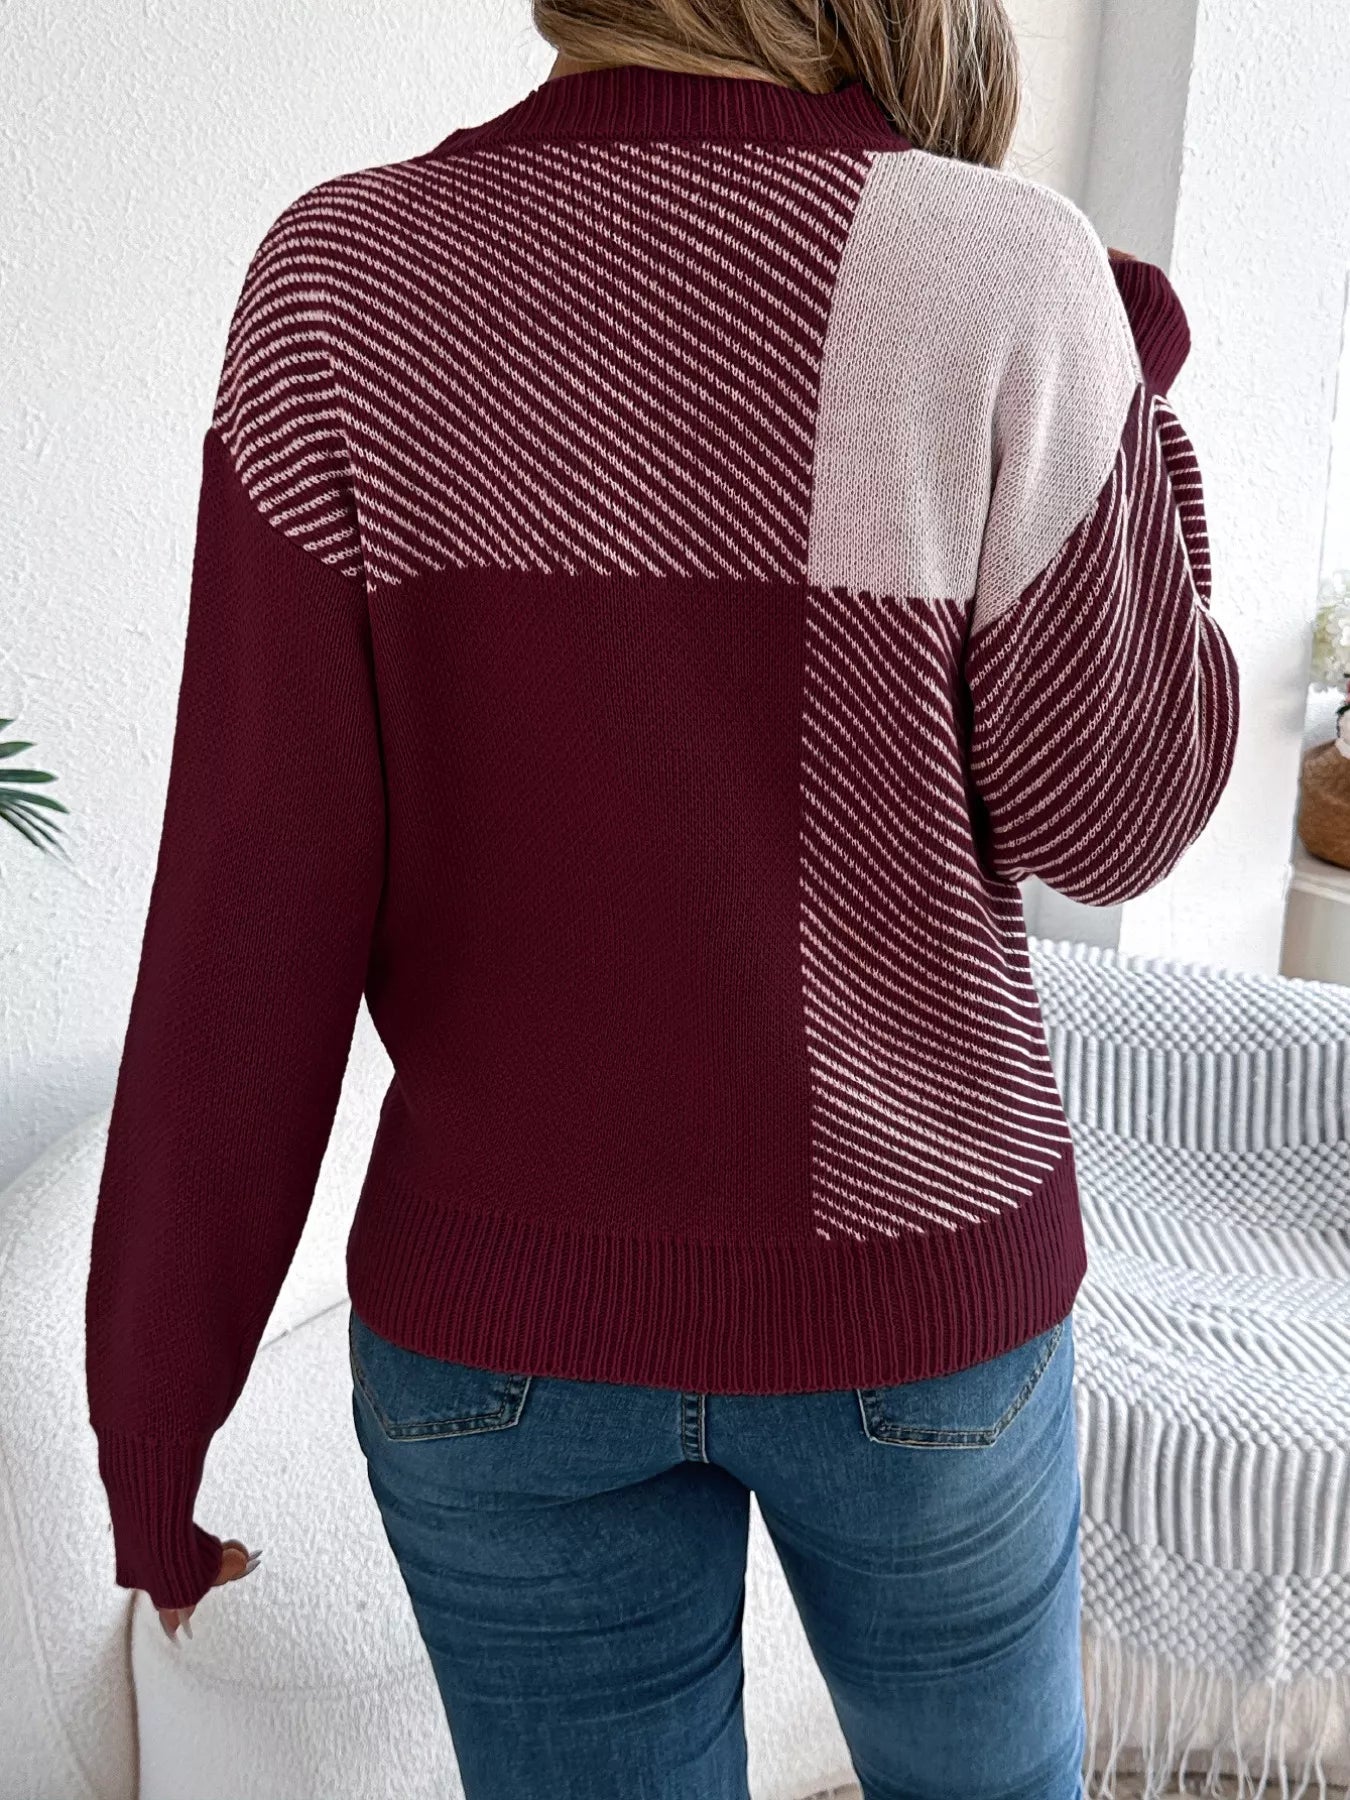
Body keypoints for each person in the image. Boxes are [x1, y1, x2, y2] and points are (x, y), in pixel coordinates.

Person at [84, 1, 1239, 1795]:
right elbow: (1119, 815)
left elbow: (247, 909)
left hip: (496, 1344)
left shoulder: (340, 280)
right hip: (913, 1314)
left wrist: (159, 1415)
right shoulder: (1010, 270)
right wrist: (1136, 411)